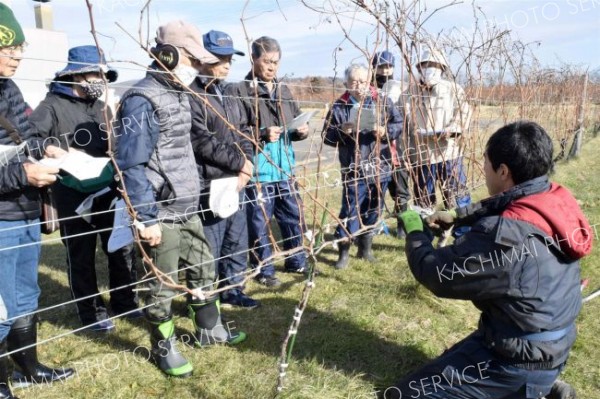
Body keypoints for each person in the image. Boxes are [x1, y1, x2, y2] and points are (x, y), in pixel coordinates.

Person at [387, 121, 591, 399]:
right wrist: (459, 217)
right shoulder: (552, 197)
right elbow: (504, 203)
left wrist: (415, 235)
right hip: (546, 340)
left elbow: (437, 274)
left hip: (519, 357)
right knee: (444, 365)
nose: (483, 170)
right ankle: (536, 385)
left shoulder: (504, 238)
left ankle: (530, 390)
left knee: (403, 394)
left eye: (485, 163)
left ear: (503, 171)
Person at [115, 20, 246, 378]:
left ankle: (208, 328)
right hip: (161, 210)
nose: (198, 67)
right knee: (161, 285)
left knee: (204, 268)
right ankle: (164, 347)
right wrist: (146, 218)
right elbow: (131, 164)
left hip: (187, 205)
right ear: (169, 55)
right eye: (192, 59)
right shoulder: (142, 100)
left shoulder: (179, 93)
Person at [29, 45, 140, 333]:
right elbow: (29, 138)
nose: (99, 81)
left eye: (102, 75)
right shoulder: (51, 105)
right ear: (76, 76)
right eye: (94, 74)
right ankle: (91, 312)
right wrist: (49, 147)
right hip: (71, 192)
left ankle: (125, 301)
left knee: (119, 247)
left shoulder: (101, 107)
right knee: (80, 253)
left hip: (107, 189)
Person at [0, 4, 73, 397]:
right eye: (9, 48)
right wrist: (23, 174)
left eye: (20, 47)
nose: (18, 56)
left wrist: (47, 148)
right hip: (1, 215)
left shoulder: (7, 88)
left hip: (24, 209)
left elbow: (25, 133)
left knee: (27, 294)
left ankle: (28, 366)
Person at [229, 36, 310, 287]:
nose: (272, 67)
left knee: (292, 216)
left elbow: (295, 119)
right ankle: (264, 269)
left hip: (285, 167)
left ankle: (296, 260)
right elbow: (234, 132)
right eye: (267, 61)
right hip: (259, 170)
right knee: (259, 223)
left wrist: (301, 130)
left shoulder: (283, 89)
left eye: (276, 62)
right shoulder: (240, 91)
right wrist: (261, 134)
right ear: (254, 59)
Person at [189, 30, 259, 309]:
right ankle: (205, 298)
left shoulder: (228, 93)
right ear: (203, 59)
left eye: (230, 58)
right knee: (210, 243)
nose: (227, 64)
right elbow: (202, 141)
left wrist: (247, 163)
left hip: (236, 180)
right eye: (220, 58)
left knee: (236, 238)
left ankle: (233, 289)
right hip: (209, 180)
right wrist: (240, 163)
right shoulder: (193, 94)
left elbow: (241, 131)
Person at [323, 63, 402, 269]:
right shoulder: (339, 106)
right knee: (350, 209)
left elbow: (399, 124)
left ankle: (365, 249)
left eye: (363, 81)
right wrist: (343, 130)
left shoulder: (382, 101)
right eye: (353, 81)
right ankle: (344, 252)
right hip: (353, 166)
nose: (358, 86)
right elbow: (327, 136)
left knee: (374, 208)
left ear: (370, 82)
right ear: (346, 83)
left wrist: (385, 131)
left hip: (379, 165)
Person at [404, 47, 471, 237]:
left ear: (442, 68)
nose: (430, 68)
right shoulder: (410, 93)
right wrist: (408, 153)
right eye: (425, 65)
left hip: (449, 152)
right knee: (423, 200)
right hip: (423, 156)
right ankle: (427, 236)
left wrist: (453, 128)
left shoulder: (454, 89)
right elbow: (406, 126)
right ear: (419, 67)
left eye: (434, 65)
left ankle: (463, 236)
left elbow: (464, 112)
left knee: (457, 196)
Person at [372, 51, 410, 238]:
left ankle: (402, 225)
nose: (385, 70)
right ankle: (372, 224)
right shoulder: (369, 90)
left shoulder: (402, 89)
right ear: (374, 67)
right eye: (381, 66)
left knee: (401, 186)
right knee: (376, 188)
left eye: (389, 66)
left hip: (399, 146)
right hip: (377, 147)